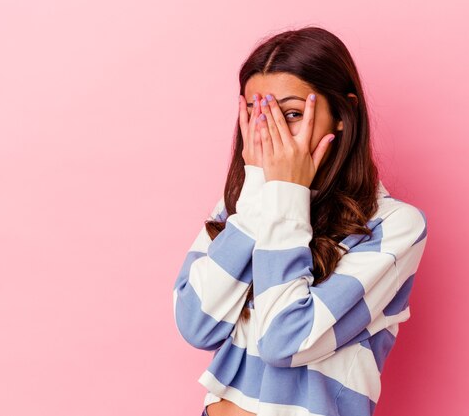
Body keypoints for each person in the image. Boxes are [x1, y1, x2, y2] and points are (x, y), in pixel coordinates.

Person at [173, 25, 428, 416]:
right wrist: (259, 194)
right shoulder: (243, 205)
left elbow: (283, 341)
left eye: (291, 114)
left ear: (343, 114)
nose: (272, 134)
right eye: (259, 115)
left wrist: (286, 195)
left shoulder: (393, 227)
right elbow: (197, 325)